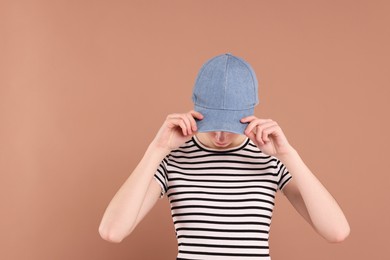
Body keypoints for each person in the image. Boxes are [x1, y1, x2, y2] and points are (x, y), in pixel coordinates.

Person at [99, 53, 350, 259]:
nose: (220, 136)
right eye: (212, 124)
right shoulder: (173, 159)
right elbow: (112, 231)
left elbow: (336, 232)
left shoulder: (270, 159)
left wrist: (288, 154)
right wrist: (157, 149)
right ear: (197, 110)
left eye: (230, 126)